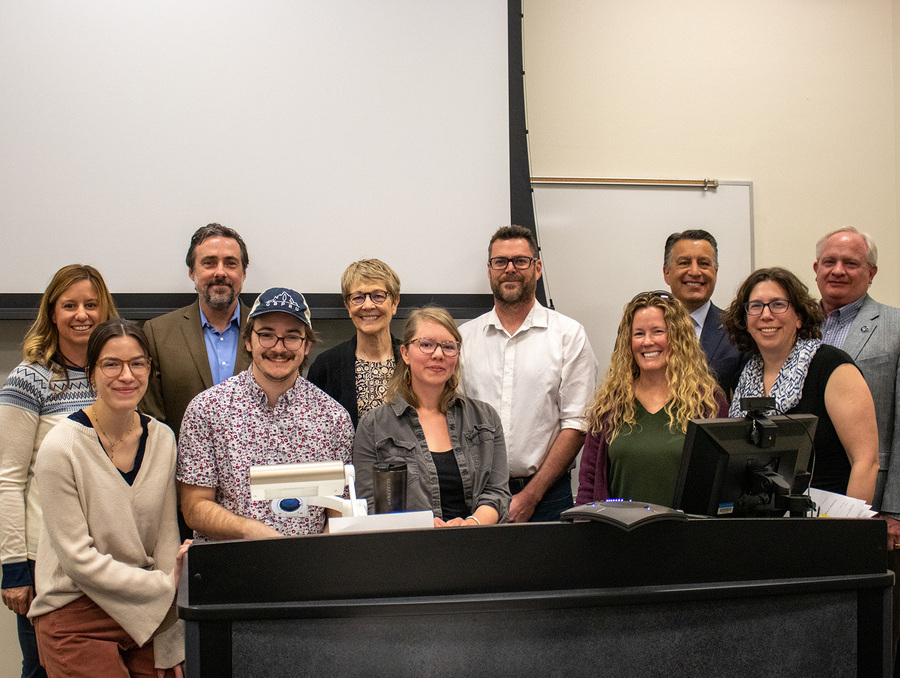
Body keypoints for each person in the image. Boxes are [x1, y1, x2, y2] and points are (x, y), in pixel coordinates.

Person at [28, 319, 187, 677]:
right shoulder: (61, 447)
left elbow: (165, 540)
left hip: (143, 610)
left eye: (137, 363)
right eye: (111, 364)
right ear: (91, 374)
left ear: (149, 368)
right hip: (75, 609)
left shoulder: (162, 439)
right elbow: (77, 560)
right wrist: (163, 586)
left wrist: (171, 642)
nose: (126, 375)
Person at [0, 264, 117, 678]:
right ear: (52, 313)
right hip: (44, 559)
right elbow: (9, 479)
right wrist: (14, 567)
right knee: (42, 667)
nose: (81, 314)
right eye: (69, 305)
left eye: (91, 304)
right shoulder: (28, 379)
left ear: (105, 311)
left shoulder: (118, 374)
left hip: (106, 554)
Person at [177, 287, 353, 541]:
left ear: (307, 346)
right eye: (267, 335)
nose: (278, 348)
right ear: (248, 341)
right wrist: (249, 530)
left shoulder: (333, 418)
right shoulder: (207, 410)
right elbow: (194, 507)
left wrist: (317, 558)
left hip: (308, 571)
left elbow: (339, 511)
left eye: (292, 337)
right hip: (231, 568)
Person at [459, 225, 598, 523]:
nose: (510, 269)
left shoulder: (568, 335)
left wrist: (531, 496)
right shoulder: (463, 339)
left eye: (520, 261)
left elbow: (576, 424)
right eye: (501, 262)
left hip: (547, 497)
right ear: (489, 270)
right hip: (473, 497)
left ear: (537, 268)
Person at [813, 227, 900, 662]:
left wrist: (895, 510)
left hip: (874, 497)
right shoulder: (793, 324)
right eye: (829, 261)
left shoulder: (896, 326)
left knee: (876, 627)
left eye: (851, 263)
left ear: (871, 272)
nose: (838, 270)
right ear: (815, 270)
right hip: (809, 500)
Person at [723, 267, 878, 501]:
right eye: (755, 306)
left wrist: (847, 531)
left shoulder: (831, 367)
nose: (766, 315)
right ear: (745, 320)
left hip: (826, 520)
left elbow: (866, 461)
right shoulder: (741, 378)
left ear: (799, 317)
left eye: (778, 304)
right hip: (760, 520)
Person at [354, 307, 510, 526]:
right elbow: (369, 506)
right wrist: (421, 525)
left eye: (448, 347)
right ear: (405, 353)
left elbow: (497, 494)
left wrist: (472, 523)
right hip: (407, 550)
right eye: (426, 344)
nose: (438, 354)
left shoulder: (485, 419)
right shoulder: (374, 426)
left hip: (477, 545)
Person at [576, 291, 725, 507]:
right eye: (638, 334)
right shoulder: (609, 405)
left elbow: (719, 485)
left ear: (677, 337)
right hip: (617, 536)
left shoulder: (708, 404)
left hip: (686, 536)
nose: (647, 342)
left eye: (657, 332)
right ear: (628, 341)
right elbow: (589, 483)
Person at [140, 223, 252, 438]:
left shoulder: (268, 334)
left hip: (254, 468)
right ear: (192, 272)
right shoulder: (157, 333)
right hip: (181, 466)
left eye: (230, 264)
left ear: (244, 273)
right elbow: (151, 419)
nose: (220, 272)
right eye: (209, 263)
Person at [307, 259, 402, 427]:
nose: (367, 305)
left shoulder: (414, 359)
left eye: (378, 296)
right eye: (358, 298)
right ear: (347, 306)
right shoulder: (326, 366)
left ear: (394, 303)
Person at [663, 229, 743, 395]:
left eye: (704, 263)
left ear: (715, 272)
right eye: (684, 262)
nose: (694, 272)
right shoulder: (640, 330)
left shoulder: (737, 329)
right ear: (666, 273)